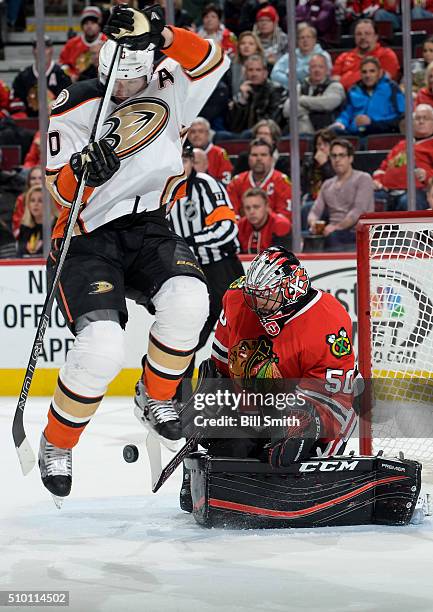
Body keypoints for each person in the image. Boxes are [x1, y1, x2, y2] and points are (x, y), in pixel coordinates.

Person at [38, 4, 230, 500]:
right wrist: (81, 170)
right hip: (88, 237)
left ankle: (156, 394)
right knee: (101, 347)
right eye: (115, 84)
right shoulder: (76, 104)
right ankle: (56, 443)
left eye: (131, 83)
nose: (123, 92)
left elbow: (213, 59)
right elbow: (57, 191)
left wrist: (163, 34)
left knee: (191, 300)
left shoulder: (171, 80)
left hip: (149, 226)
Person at [204, 247, 356, 467]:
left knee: (292, 458)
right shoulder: (237, 298)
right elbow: (221, 362)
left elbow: (334, 398)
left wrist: (302, 427)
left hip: (309, 407)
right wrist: (212, 394)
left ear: (291, 290)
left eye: (265, 297)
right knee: (227, 450)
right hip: (256, 409)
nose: (256, 304)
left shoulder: (327, 320)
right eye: (253, 295)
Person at [169, 145, 243, 367]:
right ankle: (178, 393)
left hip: (222, 267)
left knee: (241, 329)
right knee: (187, 332)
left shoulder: (206, 185)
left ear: (192, 161)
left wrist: (189, 243)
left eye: (184, 160)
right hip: (189, 271)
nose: (180, 166)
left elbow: (227, 228)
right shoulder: (164, 192)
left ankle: (248, 387)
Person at [307, 138, 374, 250]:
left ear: (350, 158)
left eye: (341, 155)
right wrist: (313, 223)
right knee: (307, 237)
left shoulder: (363, 179)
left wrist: (336, 227)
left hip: (357, 232)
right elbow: (314, 211)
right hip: (333, 232)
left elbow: (357, 212)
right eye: (334, 156)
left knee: (331, 237)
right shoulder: (327, 184)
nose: (337, 159)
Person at [372, 104, 433, 211]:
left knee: (408, 202)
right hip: (387, 191)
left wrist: (427, 176)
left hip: (419, 192)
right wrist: (377, 181)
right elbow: (382, 168)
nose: (421, 121)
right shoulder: (401, 145)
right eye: (417, 118)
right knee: (368, 198)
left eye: (426, 118)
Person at [332, 56, 404, 136]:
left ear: (379, 73)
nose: (368, 75)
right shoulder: (353, 90)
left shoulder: (392, 88)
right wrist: (340, 123)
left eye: (372, 71)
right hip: (355, 134)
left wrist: (372, 123)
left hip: (382, 134)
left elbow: (401, 117)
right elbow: (346, 114)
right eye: (364, 72)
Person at [227, 138, 292, 219]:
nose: (259, 159)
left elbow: (285, 215)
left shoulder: (282, 182)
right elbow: (231, 214)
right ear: (248, 158)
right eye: (254, 155)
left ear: (271, 159)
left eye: (263, 155)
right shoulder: (237, 182)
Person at [282, 54, 345, 136]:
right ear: (308, 70)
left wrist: (302, 100)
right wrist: (315, 106)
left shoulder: (335, 86)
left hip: (326, 133)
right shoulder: (299, 87)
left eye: (320, 67)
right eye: (313, 67)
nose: (317, 70)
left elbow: (327, 105)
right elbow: (287, 110)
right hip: (298, 134)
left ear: (326, 70)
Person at [9, 36, 72, 118]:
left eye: (45, 48)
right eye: (38, 48)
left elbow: (70, 103)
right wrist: (23, 115)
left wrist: (57, 107)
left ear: (51, 50)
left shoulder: (62, 74)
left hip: (57, 122)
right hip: (29, 123)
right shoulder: (23, 76)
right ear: (33, 51)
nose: (42, 52)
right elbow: (15, 103)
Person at [226, 54, 286, 136]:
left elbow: (273, 120)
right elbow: (232, 125)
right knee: (221, 136)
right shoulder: (243, 90)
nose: (254, 74)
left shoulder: (275, 90)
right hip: (243, 134)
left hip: (267, 133)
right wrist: (242, 100)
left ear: (265, 73)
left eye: (258, 70)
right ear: (245, 73)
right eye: (250, 70)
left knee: (246, 134)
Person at [332, 19, 400, 92]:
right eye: (359, 34)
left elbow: (383, 81)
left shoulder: (386, 55)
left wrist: (347, 77)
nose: (363, 37)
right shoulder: (343, 57)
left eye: (367, 34)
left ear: (376, 36)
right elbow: (335, 85)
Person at [270, 23, 332, 88]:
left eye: (308, 37)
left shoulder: (323, 56)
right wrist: (293, 83)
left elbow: (322, 75)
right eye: (302, 38)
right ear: (297, 41)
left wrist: (290, 73)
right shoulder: (290, 56)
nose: (305, 40)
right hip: (291, 91)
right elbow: (274, 74)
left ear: (314, 40)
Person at [59, 7, 107, 82]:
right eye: (86, 23)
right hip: (77, 85)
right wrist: (70, 75)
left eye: (93, 23)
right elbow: (63, 64)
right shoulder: (71, 44)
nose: (89, 26)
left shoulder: (108, 43)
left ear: (99, 25)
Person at [300, 128, 336, 228]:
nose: (321, 148)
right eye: (319, 144)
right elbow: (304, 186)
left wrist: (324, 164)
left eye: (326, 144)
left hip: (331, 204)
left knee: (307, 208)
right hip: (312, 199)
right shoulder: (309, 164)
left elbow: (337, 184)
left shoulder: (338, 163)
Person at [237, 187, 291, 253]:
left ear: (266, 206)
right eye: (247, 208)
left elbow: (280, 258)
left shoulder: (280, 225)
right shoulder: (240, 226)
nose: (251, 212)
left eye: (256, 207)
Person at [187, 117, 233, 185]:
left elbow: (226, 181)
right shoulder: (183, 153)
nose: (196, 135)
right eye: (193, 132)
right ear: (188, 135)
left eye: (200, 131)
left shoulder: (219, 153)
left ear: (208, 133)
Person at [16, 185, 53, 257]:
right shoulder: (24, 226)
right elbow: (19, 254)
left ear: (48, 204)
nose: (36, 204)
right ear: (28, 204)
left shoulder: (55, 225)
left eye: (40, 201)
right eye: (32, 200)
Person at [230, 30, 265, 95]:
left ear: (257, 48)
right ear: (238, 47)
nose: (246, 46)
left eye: (251, 44)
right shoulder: (232, 65)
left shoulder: (264, 65)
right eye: (243, 43)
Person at [12, 165, 43, 237]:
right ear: (28, 181)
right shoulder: (21, 199)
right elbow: (17, 225)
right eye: (33, 178)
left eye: (40, 178)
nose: (37, 181)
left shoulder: (54, 198)